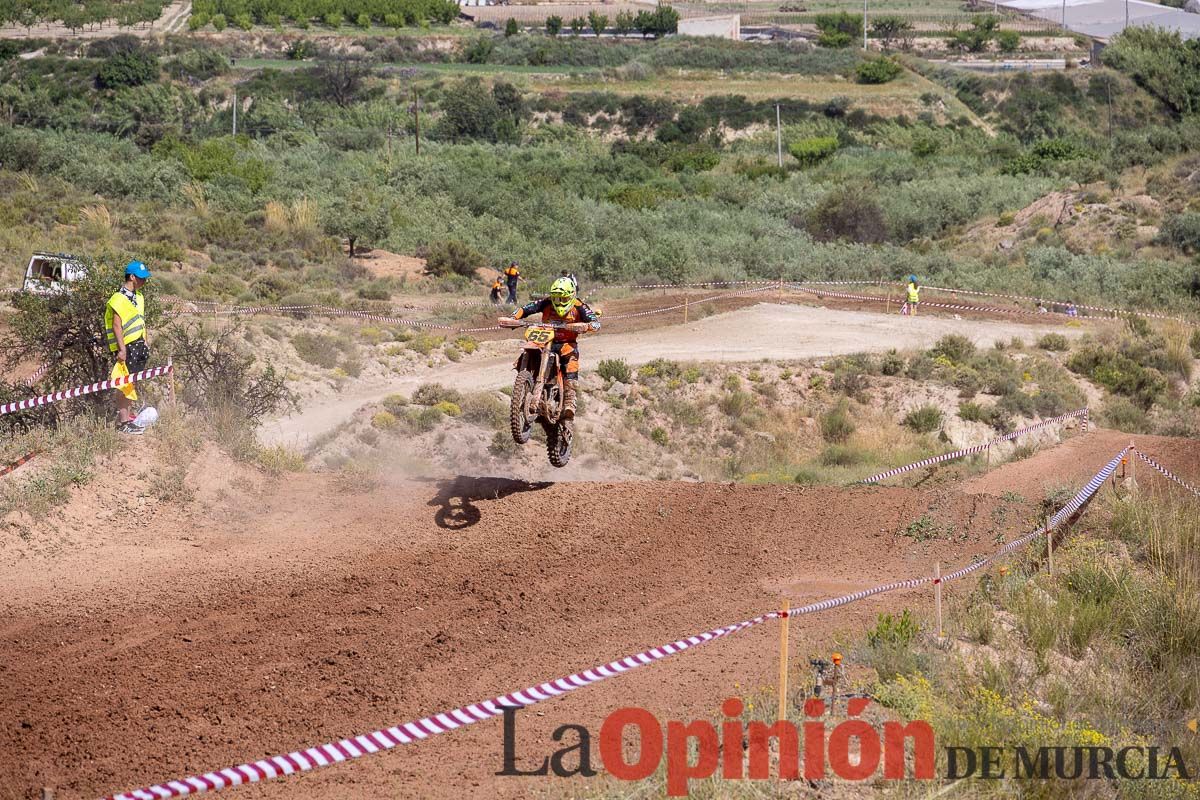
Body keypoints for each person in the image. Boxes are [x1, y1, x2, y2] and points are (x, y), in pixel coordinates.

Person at [500, 277, 599, 419]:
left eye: (563, 299)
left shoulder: (579, 306)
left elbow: (596, 322)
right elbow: (526, 309)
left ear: (571, 296)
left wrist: (587, 325)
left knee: (571, 362)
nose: (559, 301)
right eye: (556, 298)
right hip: (545, 339)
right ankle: (524, 384)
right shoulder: (546, 302)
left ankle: (570, 402)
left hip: (566, 342)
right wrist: (513, 317)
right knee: (527, 351)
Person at [105, 260, 152, 434]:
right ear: (132, 277)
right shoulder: (118, 298)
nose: (144, 281)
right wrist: (122, 349)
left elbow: (141, 320)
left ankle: (127, 418)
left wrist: (145, 341)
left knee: (131, 383)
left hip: (139, 345)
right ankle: (123, 423)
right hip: (127, 347)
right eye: (141, 278)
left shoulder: (139, 297)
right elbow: (117, 325)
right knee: (125, 384)